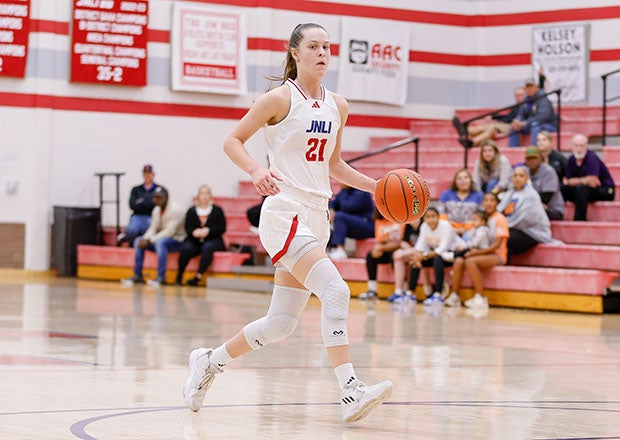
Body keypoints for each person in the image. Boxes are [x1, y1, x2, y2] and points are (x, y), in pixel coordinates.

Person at [183, 23, 393, 423]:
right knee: (336, 291)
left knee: (280, 324)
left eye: (326, 47)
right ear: (295, 53)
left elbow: (333, 165)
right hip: (285, 211)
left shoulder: (338, 105)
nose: (321, 53)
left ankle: (209, 361)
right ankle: (350, 390)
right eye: (313, 46)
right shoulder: (279, 98)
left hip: (318, 212)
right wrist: (254, 171)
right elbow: (233, 141)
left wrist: (376, 186)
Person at [446, 193, 509, 309]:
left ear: (497, 203)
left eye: (492, 200)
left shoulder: (500, 219)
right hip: (481, 252)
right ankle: (455, 295)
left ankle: (480, 297)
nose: (488, 203)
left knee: (470, 261)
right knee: (459, 260)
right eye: (486, 200)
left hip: (496, 255)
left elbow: (497, 245)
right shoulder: (481, 218)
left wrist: (477, 253)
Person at [398, 207, 464, 306]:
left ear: (438, 217)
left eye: (433, 216)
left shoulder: (446, 227)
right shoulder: (424, 226)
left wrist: (423, 257)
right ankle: (410, 293)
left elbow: (442, 249)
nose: (430, 220)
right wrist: (417, 257)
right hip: (439, 255)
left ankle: (438, 295)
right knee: (415, 261)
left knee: (437, 260)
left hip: (455, 252)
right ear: (424, 218)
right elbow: (419, 247)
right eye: (427, 217)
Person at [122, 186, 186, 287]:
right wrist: (145, 238)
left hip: (177, 241)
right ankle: (138, 274)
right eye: (155, 197)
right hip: (160, 238)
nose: (157, 200)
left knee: (161, 242)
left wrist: (150, 240)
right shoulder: (156, 210)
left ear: (166, 198)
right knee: (138, 241)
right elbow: (153, 228)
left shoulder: (176, 210)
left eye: (159, 197)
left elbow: (170, 232)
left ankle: (161, 277)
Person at [175, 185, 227, 286]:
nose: (204, 196)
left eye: (207, 193)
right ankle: (179, 275)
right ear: (198, 196)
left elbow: (222, 228)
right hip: (195, 240)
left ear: (210, 196)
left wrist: (209, 230)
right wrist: (194, 232)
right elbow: (187, 227)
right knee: (186, 248)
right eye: (202, 193)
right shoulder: (191, 211)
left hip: (212, 240)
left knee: (208, 247)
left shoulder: (217, 211)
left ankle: (198, 276)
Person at [498, 166, 553, 259]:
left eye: (521, 176)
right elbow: (499, 211)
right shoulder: (509, 194)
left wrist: (506, 225)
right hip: (511, 227)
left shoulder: (531, 195)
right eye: (515, 176)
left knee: (507, 238)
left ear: (527, 178)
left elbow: (527, 220)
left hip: (531, 231)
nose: (517, 178)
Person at [562, 133, 616, 221]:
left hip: (606, 190)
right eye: (576, 146)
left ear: (586, 146)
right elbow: (568, 181)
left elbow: (593, 182)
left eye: (582, 146)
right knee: (562, 188)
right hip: (585, 191)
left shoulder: (591, 157)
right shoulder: (571, 159)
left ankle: (579, 220)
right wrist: (584, 180)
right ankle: (559, 216)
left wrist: (576, 181)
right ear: (571, 146)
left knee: (581, 189)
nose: (579, 149)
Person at [357, 209, 404, 300]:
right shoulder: (379, 220)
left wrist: (382, 248)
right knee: (370, 256)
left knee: (395, 257)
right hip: (386, 249)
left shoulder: (401, 218)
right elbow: (380, 241)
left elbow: (400, 242)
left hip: (400, 250)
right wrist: (377, 249)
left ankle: (400, 290)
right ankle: (372, 290)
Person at [327, 182, 375, 260]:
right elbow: (332, 203)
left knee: (339, 216)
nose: (339, 182)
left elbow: (349, 206)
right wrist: (332, 209)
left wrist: (335, 208)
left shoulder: (362, 191)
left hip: (367, 226)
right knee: (329, 218)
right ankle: (330, 248)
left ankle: (340, 249)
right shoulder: (345, 191)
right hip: (352, 224)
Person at [117, 164, 161, 246]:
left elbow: (158, 206)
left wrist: (141, 202)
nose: (147, 175)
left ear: (153, 174)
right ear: (142, 174)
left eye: (149, 173)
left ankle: (138, 243)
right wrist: (149, 202)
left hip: (152, 216)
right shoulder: (136, 189)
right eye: (145, 173)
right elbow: (132, 205)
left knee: (150, 231)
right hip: (137, 216)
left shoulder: (159, 189)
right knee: (130, 231)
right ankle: (129, 239)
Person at [508, 78, 557, 147]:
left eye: (531, 86)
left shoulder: (543, 98)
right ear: (525, 89)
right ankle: (513, 152)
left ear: (536, 87)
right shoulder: (525, 100)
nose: (529, 89)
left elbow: (542, 117)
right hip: (530, 124)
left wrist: (525, 123)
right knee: (514, 128)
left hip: (548, 125)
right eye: (527, 87)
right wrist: (517, 121)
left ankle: (534, 151)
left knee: (535, 126)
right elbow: (521, 114)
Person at [438, 169, 483, 237]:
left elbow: (482, 215)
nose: (463, 181)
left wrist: (468, 228)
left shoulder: (478, 195)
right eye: (459, 178)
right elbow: (440, 213)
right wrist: (451, 228)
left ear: (471, 180)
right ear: (455, 182)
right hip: (449, 229)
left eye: (466, 177)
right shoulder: (446, 194)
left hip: (471, 229)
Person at [524, 146, 565, 220]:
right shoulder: (524, 171)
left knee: (531, 211)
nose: (532, 161)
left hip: (553, 209)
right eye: (529, 158)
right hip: (533, 206)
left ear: (540, 158)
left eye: (534, 158)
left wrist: (529, 202)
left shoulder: (548, 171)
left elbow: (546, 197)